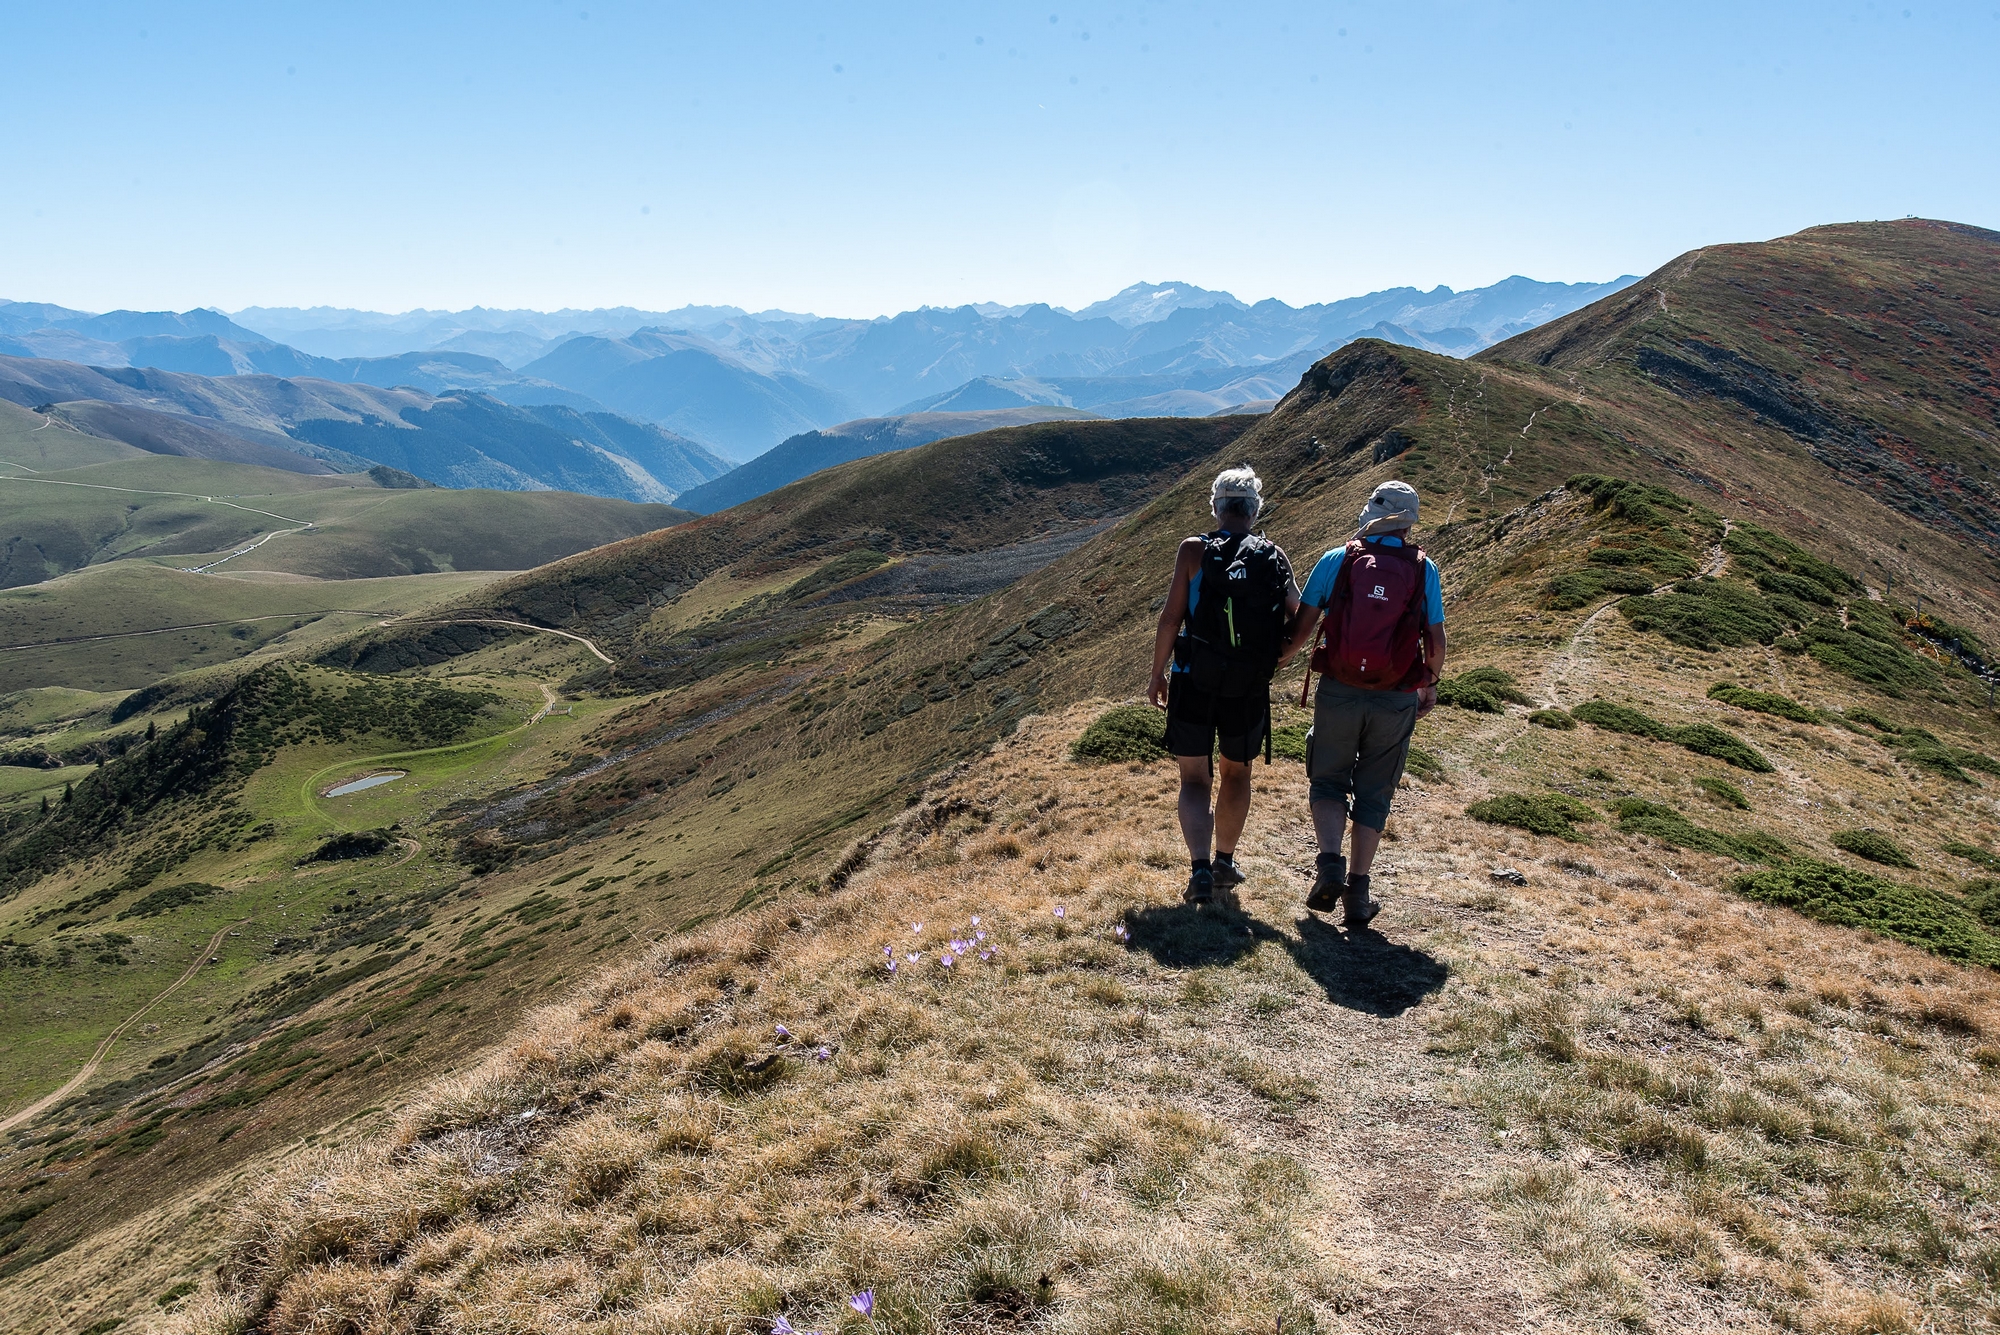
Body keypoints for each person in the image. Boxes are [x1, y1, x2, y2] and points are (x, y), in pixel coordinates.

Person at [1282, 480, 1445, 928]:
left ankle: (1329, 863)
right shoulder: (1423, 568)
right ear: (1408, 522)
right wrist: (1428, 684)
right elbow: (1435, 636)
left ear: (1371, 513)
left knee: (1328, 778)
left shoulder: (1338, 559)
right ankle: (1358, 894)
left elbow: (1303, 624)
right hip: (1395, 695)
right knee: (1375, 791)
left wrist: (1279, 659)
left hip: (1339, 687)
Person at [1147, 466, 1305, 906]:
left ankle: (1198, 869)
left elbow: (1170, 618)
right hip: (1248, 685)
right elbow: (1302, 613)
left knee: (1194, 778)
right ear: (1254, 509)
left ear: (1216, 507)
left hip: (1193, 679)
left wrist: (1157, 673)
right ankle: (1225, 860)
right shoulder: (1273, 555)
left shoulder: (1193, 551)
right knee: (1237, 773)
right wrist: (1282, 655)